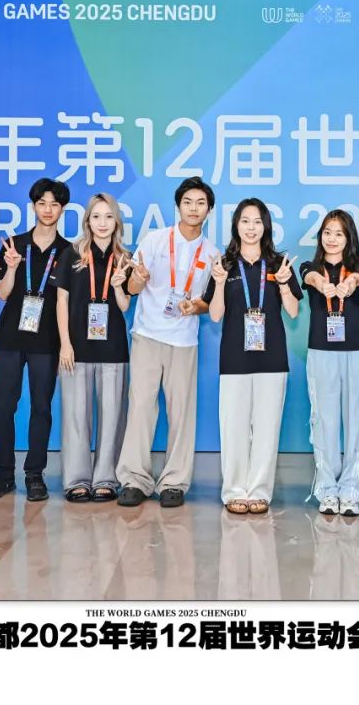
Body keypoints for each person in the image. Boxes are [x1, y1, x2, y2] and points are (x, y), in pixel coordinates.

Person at [115, 177, 220, 508]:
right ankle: (135, 479)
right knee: (141, 408)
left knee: (181, 412)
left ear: (209, 210)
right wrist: (137, 278)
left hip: (184, 341)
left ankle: (174, 481)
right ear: (178, 206)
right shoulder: (156, 240)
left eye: (200, 203)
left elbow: (209, 302)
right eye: (188, 202)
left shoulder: (212, 253)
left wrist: (195, 307)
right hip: (147, 335)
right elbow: (132, 289)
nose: (193, 208)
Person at [204, 198, 302, 515]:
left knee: (266, 429)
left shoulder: (279, 264)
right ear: (236, 225)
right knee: (233, 427)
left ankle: (259, 491)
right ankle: (234, 491)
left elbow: (293, 311)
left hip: (272, 360)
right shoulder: (224, 264)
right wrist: (220, 283)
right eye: (245, 221)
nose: (251, 228)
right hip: (234, 359)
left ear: (265, 226)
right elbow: (215, 315)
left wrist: (284, 285)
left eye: (257, 221)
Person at [0, 178, 71, 503]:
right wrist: (12, 268)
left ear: (62, 209)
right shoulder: (13, 245)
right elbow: (3, 294)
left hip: (47, 341)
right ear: (33, 206)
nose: (48, 210)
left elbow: (68, 302)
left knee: (41, 408)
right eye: (42, 203)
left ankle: (35, 475)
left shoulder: (69, 251)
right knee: (3, 407)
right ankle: (4, 475)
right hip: (10, 339)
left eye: (54, 204)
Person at [52, 193, 133, 502]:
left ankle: (106, 479)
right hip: (76, 348)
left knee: (112, 417)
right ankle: (77, 480)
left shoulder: (125, 257)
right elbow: (61, 301)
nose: (102, 223)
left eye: (108, 216)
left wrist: (118, 286)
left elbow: (124, 306)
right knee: (75, 416)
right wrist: (65, 344)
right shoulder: (71, 255)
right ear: (87, 221)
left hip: (113, 348)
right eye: (96, 216)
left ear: (116, 221)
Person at [299, 210, 359, 517]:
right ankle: (327, 490)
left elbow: (358, 278)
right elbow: (309, 276)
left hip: (356, 351)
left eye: (339, 233)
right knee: (324, 420)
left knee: (357, 420)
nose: (332, 238)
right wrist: (320, 283)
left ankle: (351, 490)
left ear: (349, 238)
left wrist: (351, 281)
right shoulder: (310, 267)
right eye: (327, 232)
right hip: (321, 351)